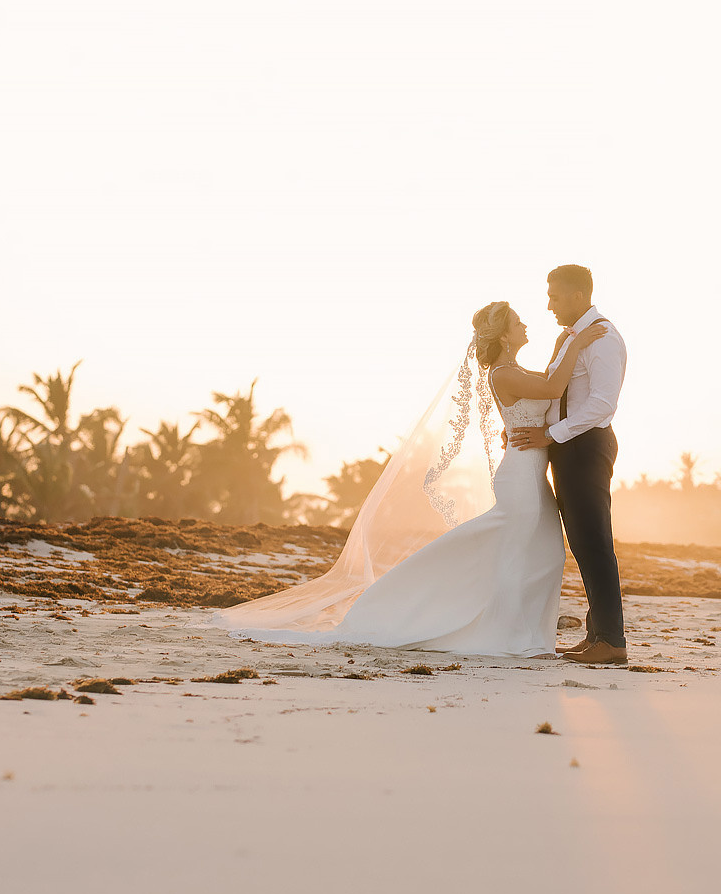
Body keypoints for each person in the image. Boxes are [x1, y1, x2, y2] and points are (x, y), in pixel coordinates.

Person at [216, 301, 609, 657]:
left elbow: (551, 393)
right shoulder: (503, 373)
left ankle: (527, 634)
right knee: (513, 552)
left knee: (547, 554)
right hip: (519, 478)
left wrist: (565, 346)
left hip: (534, 477)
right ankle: (507, 635)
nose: (525, 324)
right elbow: (554, 386)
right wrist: (576, 342)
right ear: (504, 333)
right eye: (518, 321)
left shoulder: (519, 370)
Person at [506, 264, 628, 664]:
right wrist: (525, 428)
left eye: (554, 297)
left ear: (578, 296)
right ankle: (597, 636)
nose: (548, 305)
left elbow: (600, 405)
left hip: (586, 445)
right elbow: (553, 390)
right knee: (582, 543)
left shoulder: (604, 338)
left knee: (595, 543)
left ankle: (612, 641)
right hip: (567, 446)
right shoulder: (570, 338)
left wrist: (551, 436)